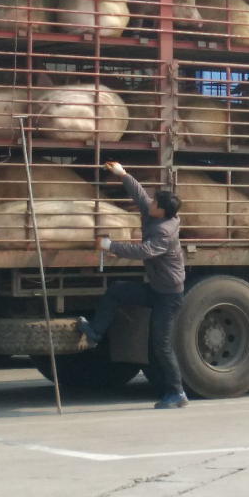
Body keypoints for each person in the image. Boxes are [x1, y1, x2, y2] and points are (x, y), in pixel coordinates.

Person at [76, 161, 188, 409]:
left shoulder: (164, 233)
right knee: (117, 290)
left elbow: (145, 251)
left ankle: (177, 393)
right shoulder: (155, 214)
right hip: (157, 289)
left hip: (168, 296)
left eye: (155, 203)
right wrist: (123, 174)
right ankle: (94, 332)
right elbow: (140, 195)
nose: (150, 203)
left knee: (161, 344)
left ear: (163, 212)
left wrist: (110, 246)